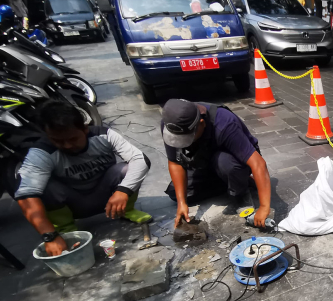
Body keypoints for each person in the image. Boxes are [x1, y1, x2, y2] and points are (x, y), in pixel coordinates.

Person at [14, 101, 152, 256]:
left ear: (85, 129)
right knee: (44, 187)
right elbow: (25, 195)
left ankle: (126, 211)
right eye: (57, 140)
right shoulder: (41, 152)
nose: (66, 145)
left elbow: (140, 159)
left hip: (111, 199)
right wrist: (49, 236)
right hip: (73, 204)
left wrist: (123, 191)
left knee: (125, 170)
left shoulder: (103, 135)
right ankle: (65, 228)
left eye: (72, 139)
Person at [161, 99, 272, 228]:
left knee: (226, 163)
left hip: (232, 160)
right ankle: (234, 182)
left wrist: (264, 207)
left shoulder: (224, 123)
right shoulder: (171, 123)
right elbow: (175, 162)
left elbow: (258, 164)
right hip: (203, 161)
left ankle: (240, 190)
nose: (183, 143)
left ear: (201, 124)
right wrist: (182, 203)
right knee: (176, 193)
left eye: (187, 139)